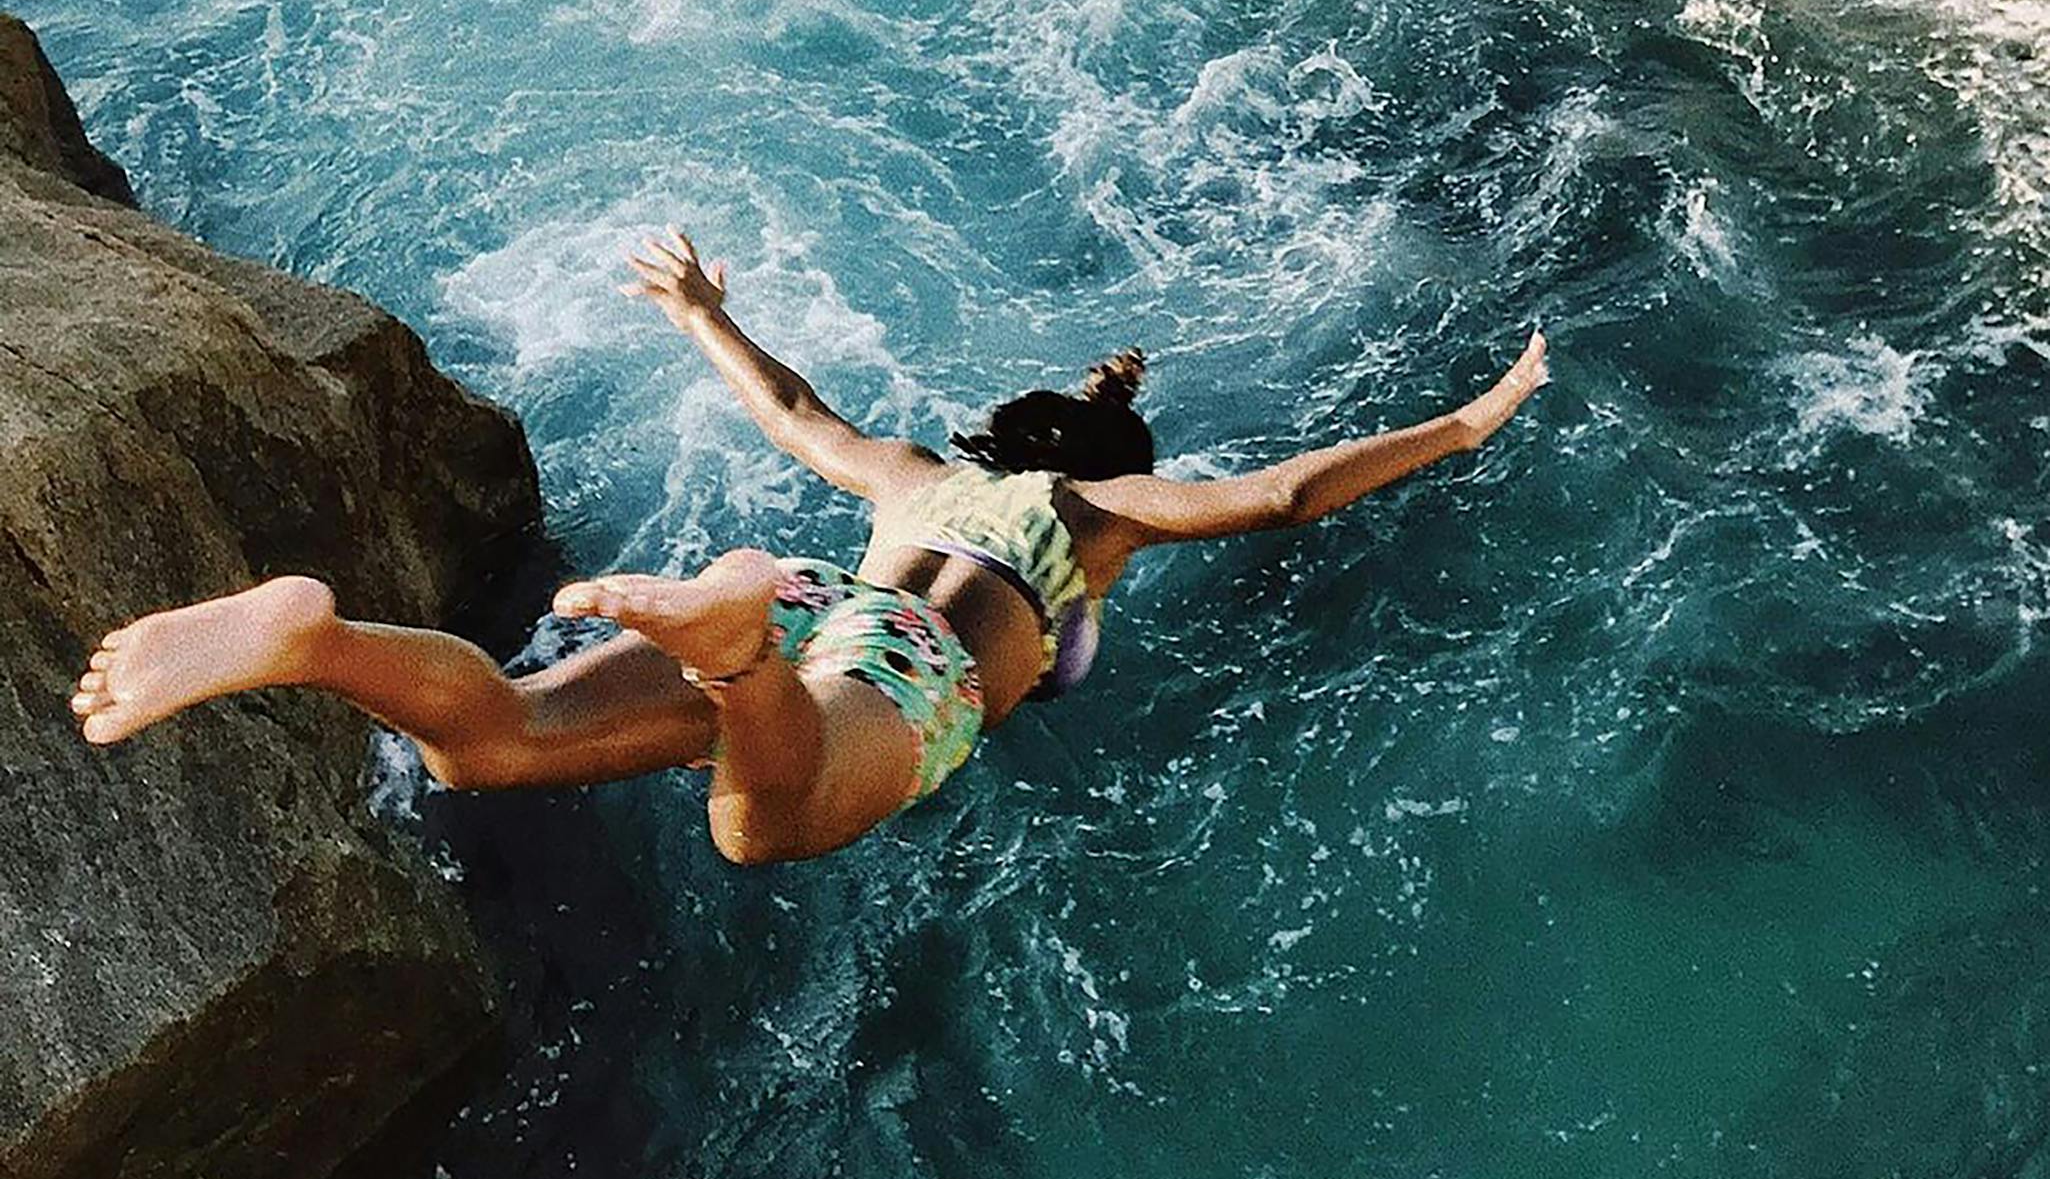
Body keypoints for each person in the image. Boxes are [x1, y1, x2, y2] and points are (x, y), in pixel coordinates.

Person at [72, 231, 1549, 865]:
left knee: (492, 746)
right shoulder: (1102, 515)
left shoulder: (912, 475)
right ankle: (730, 652)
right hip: (885, 678)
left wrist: (702, 311)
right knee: (757, 826)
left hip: (838, 596)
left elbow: (791, 412)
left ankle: (317, 642)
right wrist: (1471, 422)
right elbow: (1284, 494)